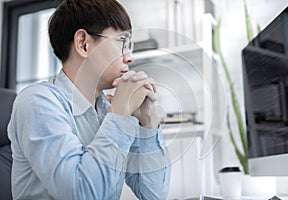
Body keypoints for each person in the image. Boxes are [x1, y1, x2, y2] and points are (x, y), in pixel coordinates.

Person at [8, 0, 171, 199]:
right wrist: (119, 114)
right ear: (83, 44)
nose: (130, 57)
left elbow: (153, 194)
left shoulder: (108, 109)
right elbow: (81, 193)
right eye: (122, 42)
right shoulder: (37, 102)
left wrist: (149, 122)